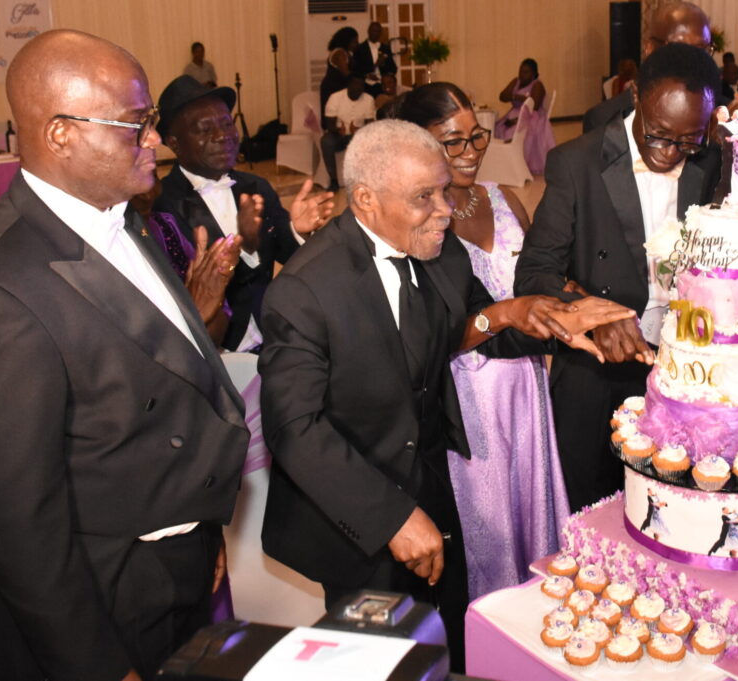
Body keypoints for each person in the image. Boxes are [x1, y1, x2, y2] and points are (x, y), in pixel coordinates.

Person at [0, 30, 250, 681]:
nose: (155, 143)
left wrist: (200, 529)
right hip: (100, 609)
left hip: (176, 573)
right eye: (135, 127)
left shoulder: (121, 218)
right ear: (60, 135)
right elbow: (18, 529)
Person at [258, 120, 633, 671]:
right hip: (354, 515)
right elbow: (295, 428)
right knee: (383, 656)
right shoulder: (304, 289)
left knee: (445, 642)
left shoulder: (441, 251)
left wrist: (540, 317)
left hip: (434, 486)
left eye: (442, 191)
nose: (444, 208)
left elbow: (472, 325)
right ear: (365, 199)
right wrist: (390, 518)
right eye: (424, 197)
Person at [515, 43, 721, 513]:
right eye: (659, 135)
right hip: (595, 372)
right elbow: (532, 274)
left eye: (688, 141)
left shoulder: (709, 162)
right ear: (636, 99)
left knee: (671, 509)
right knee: (595, 512)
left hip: (679, 368)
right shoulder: (577, 163)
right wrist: (592, 315)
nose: (671, 154)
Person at [396, 82, 571, 601]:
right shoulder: (415, 220)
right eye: (453, 142)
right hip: (466, 393)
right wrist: (507, 316)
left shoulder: (505, 198)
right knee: (485, 525)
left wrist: (569, 301)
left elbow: (540, 278)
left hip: (526, 382)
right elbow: (427, 335)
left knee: (531, 511)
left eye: (477, 138)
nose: (470, 153)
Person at [153, 75, 334, 352]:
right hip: (214, 348)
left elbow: (286, 255)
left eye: (227, 123)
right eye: (205, 129)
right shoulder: (162, 206)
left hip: (271, 335)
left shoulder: (256, 186)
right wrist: (245, 245)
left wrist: (296, 230)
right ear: (175, 143)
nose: (223, 135)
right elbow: (184, 295)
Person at [131, 174, 242, 344]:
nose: (147, 195)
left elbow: (214, 339)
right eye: (135, 183)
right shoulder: (110, 250)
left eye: (152, 179)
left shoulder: (165, 225)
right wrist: (192, 311)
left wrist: (213, 294)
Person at [583, 2, 714, 134]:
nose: (690, 60)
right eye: (678, 49)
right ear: (650, 49)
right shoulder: (603, 120)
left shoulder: (718, 113)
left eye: (700, 50)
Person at [494, 57, 555, 174]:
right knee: (498, 128)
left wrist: (517, 117)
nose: (522, 75)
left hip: (532, 117)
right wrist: (515, 95)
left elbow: (534, 105)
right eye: (520, 71)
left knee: (513, 132)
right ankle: (504, 162)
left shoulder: (537, 85)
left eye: (526, 72)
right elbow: (502, 96)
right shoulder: (516, 81)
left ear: (533, 73)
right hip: (514, 113)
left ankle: (516, 164)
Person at [321, 72, 376, 192]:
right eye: (356, 85)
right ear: (348, 85)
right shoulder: (335, 98)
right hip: (338, 134)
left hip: (359, 136)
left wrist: (359, 132)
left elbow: (370, 126)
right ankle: (334, 180)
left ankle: (365, 180)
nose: (359, 89)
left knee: (371, 141)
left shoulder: (368, 99)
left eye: (361, 86)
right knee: (326, 142)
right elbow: (329, 124)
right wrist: (339, 130)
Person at [320, 27, 359, 131]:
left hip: (338, 87)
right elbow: (346, 73)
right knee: (334, 116)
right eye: (354, 42)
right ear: (347, 41)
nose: (356, 44)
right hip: (333, 87)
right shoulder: (339, 53)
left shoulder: (345, 53)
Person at [353, 21, 397, 97]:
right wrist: (369, 72)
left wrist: (384, 67)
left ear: (380, 33)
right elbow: (356, 69)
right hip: (366, 86)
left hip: (382, 85)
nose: (375, 33)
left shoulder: (385, 48)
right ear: (368, 31)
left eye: (378, 31)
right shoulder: (360, 48)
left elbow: (393, 68)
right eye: (373, 31)